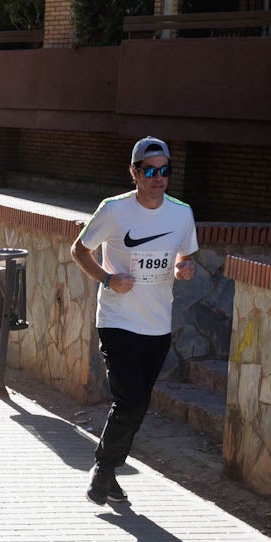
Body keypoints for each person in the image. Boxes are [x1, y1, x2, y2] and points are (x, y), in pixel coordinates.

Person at [71, 136, 200, 506]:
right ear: (134, 173)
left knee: (139, 403)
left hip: (157, 324)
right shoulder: (113, 211)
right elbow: (79, 250)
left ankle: (109, 473)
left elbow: (184, 258)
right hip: (116, 319)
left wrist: (184, 269)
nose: (158, 177)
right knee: (128, 401)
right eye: (150, 171)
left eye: (165, 171)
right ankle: (102, 470)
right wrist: (108, 279)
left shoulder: (181, 212)